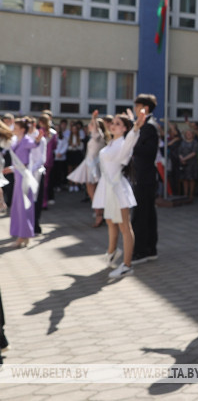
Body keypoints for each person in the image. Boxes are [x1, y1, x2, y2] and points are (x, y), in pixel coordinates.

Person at [94, 110, 147, 279]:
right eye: (113, 122)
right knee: (110, 221)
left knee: (125, 227)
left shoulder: (124, 143)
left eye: (117, 123)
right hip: (107, 187)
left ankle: (127, 265)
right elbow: (101, 131)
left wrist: (137, 125)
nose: (113, 125)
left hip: (117, 188)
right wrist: (95, 119)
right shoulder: (111, 143)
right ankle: (111, 251)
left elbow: (132, 139)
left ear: (125, 129)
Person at [130, 94, 160, 265]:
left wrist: (132, 142)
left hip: (145, 177)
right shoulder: (145, 126)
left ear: (145, 108)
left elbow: (147, 151)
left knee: (141, 215)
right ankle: (149, 249)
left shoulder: (149, 127)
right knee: (147, 214)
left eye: (137, 107)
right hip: (143, 176)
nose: (135, 110)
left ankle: (141, 251)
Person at [68, 111, 108, 227]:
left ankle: (99, 214)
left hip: (93, 166)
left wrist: (93, 118)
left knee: (93, 191)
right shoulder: (95, 137)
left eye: (91, 124)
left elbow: (96, 129)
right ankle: (99, 213)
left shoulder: (97, 136)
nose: (89, 126)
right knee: (92, 191)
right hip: (90, 164)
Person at [8, 118, 43, 248]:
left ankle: (22, 236)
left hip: (24, 177)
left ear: (22, 129)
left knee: (23, 206)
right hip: (18, 175)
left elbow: (35, 144)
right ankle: (25, 235)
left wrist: (38, 139)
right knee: (18, 206)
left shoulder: (27, 140)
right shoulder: (16, 140)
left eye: (16, 128)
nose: (14, 130)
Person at [177, 129, 198, 202]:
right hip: (184, 164)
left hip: (192, 163)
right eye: (187, 133)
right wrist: (181, 158)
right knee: (184, 179)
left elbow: (194, 153)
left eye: (190, 133)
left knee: (191, 179)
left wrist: (184, 159)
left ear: (192, 134)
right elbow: (179, 152)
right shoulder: (182, 142)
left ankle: (191, 195)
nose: (188, 135)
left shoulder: (195, 142)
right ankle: (185, 194)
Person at [66, 120, 86, 192]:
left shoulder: (79, 137)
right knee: (70, 170)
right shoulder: (69, 137)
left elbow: (81, 147)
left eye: (75, 129)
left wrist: (76, 146)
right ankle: (70, 184)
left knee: (76, 170)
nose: (74, 130)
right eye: (73, 129)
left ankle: (76, 184)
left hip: (77, 153)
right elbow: (66, 147)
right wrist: (71, 146)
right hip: (71, 153)